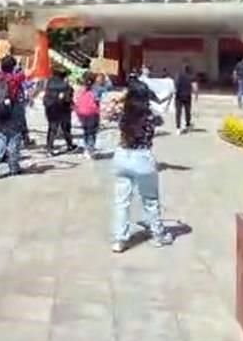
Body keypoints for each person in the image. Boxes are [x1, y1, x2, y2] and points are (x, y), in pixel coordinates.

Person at [112, 80, 173, 253]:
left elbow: (109, 112)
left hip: (122, 156)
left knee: (121, 202)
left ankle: (119, 240)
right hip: (143, 158)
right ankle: (158, 235)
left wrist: (121, 99)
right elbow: (161, 118)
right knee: (150, 200)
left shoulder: (123, 114)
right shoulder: (150, 115)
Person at [0, 56, 26, 178]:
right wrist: (19, 65)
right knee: (14, 138)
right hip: (12, 111)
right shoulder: (14, 79)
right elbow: (27, 73)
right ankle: (13, 166)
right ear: (13, 67)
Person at [42, 67, 75, 155]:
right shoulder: (65, 86)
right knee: (66, 128)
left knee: (52, 128)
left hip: (50, 108)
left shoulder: (48, 83)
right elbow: (68, 99)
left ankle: (49, 148)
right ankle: (70, 145)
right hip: (63, 109)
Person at [74, 73, 101, 158]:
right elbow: (97, 101)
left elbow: (77, 100)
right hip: (92, 113)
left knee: (85, 131)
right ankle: (90, 150)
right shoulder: (96, 89)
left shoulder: (80, 89)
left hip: (82, 113)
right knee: (92, 132)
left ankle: (86, 149)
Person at [173, 64, 198, 135]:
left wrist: (174, 93)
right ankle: (187, 125)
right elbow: (195, 87)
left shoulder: (178, 75)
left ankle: (178, 128)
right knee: (187, 112)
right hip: (187, 96)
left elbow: (175, 85)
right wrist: (196, 96)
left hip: (178, 97)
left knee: (178, 113)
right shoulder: (192, 76)